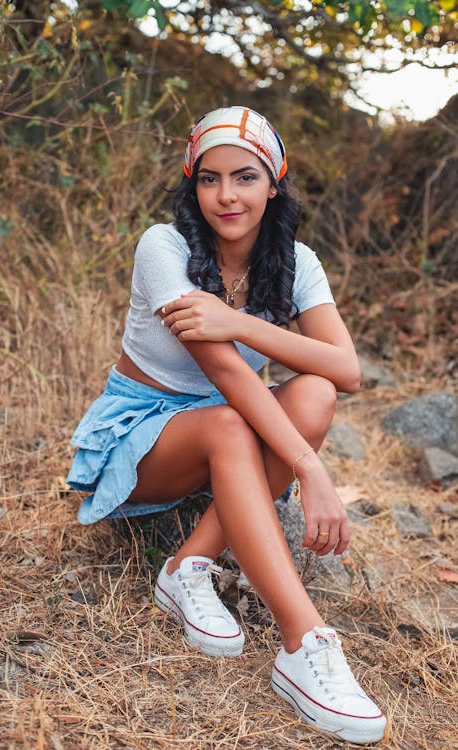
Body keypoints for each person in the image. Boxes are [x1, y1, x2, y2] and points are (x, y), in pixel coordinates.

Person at [67, 106, 386, 745]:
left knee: (316, 393)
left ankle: (187, 565)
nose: (226, 195)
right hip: (144, 438)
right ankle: (305, 642)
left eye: (244, 177)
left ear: (274, 183)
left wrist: (240, 322)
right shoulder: (165, 247)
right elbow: (232, 380)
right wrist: (310, 467)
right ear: (193, 185)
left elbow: (346, 369)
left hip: (228, 426)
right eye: (208, 179)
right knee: (231, 422)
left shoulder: (297, 261)